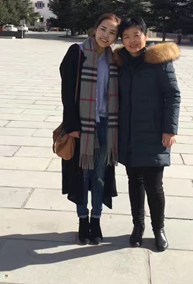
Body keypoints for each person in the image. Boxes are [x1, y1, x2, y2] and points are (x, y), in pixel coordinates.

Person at [114, 17, 181, 252]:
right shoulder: (120, 62)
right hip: (128, 132)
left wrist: (170, 129)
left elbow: (173, 95)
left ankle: (158, 228)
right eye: (126, 37)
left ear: (145, 35)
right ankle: (138, 226)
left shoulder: (158, 60)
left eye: (136, 35)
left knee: (154, 185)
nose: (132, 41)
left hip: (153, 132)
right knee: (134, 182)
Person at [59, 13, 121, 245]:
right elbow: (67, 92)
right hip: (82, 126)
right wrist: (71, 125)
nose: (106, 35)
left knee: (100, 175)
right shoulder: (77, 52)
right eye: (103, 29)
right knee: (82, 176)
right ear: (95, 29)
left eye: (112, 32)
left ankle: (96, 220)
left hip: (106, 125)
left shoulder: (115, 59)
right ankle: (82, 220)